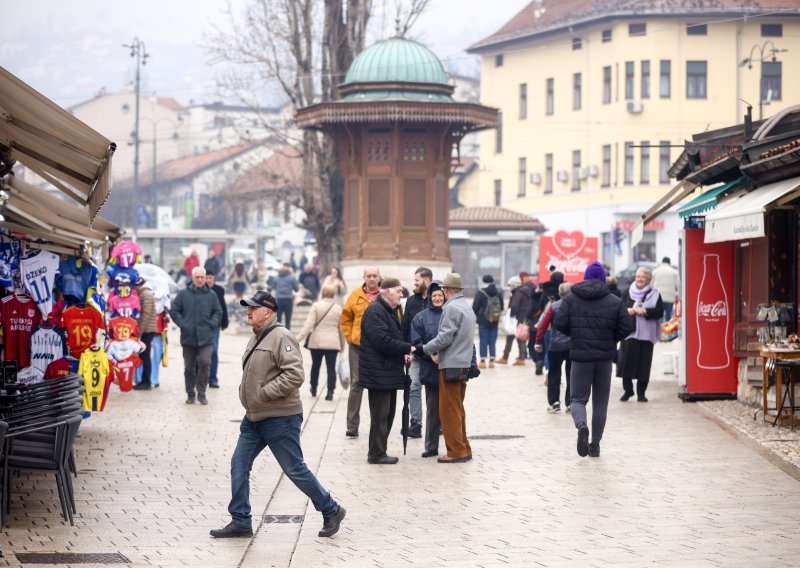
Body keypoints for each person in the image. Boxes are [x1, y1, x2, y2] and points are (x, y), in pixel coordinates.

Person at [210, 290, 345, 539]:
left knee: (294, 468)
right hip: (254, 417)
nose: (248, 311)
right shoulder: (256, 337)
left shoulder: (281, 336)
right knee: (239, 464)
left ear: (268, 312)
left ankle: (331, 509)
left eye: (253, 307)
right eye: (248, 307)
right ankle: (240, 520)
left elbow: (295, 374)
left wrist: (263, 393)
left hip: (280, 417)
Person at [553, 261, 634, 458]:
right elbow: (627, 328)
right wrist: (610, 338)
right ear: (602, 279)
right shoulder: (614, 300)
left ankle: (582, 426)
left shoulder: (572, 298)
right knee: (600, 402)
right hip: (604, 357)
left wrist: (576, 335)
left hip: (580, 357)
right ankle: (595, 444)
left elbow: (559, 322)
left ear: (585, 277)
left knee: (577, 399)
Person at [416, 273, 477, 464]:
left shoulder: (450, 309)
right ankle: (463, 447)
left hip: (450, 364)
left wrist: (424, 349)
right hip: (463, 364)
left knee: (449, 410)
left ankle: (456, 451)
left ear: (446, 290)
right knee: (458, 408)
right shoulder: (466, 307)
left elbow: (444, 338)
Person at [358, 277, 413, 465]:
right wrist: (407, 348)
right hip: (378, 373)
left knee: (388, 414)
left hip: (387, 371)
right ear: (387, 292)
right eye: (398, 291)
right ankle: (376, 454)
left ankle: (380, 451)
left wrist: (403, 353)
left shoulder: (388, 310)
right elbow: (382, 341)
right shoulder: (375, 311)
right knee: (380, 415)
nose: (401, 294)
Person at [170, 267, 222, 405]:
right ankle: (190, 393)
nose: (200, 280)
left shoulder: (211, 295)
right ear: (192, 278)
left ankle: (202, 392)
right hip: (188, 338)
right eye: (197, 277)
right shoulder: (183, 294)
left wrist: (212, 323)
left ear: (205, 278)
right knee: (189, 367)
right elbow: (174, 311)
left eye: (202, 277)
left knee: (205, 362)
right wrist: (183, 324)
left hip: (206, 337)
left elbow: (218, 311)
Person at [340, 266, 381, 438]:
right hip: (357, 346)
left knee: (376, 385)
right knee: (356, 384)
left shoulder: (384, 296)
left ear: (379, 277)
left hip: (378, 348)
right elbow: (346, 318)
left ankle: (377, 423)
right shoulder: (355, 295)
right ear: (364, 277)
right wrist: (350, 337)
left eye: (374, 276)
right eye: (368, 276)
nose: (371, 278)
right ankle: (352, 425)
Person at [617, 267, 664, 402]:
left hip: (646, 334)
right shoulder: (627, 292)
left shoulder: (655, 294)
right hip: (629, 333)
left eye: (642, 277)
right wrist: (629, 310)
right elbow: (619, 310)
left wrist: (646, 311)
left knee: (644, 365)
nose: (639, 279)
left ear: (649, 279)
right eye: (637, 276)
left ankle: (641, 393)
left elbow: (659, 312)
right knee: (626, 363)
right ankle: (628, 390)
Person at [410, 282, 445, 458]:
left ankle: (456, 444)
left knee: (452, 408)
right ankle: (431, 446)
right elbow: (416, 343)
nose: (438, 298)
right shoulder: (420, 318)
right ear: (430, 298)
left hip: (450, 367)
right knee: (432, 408)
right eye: (434, 296)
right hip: (430, 368)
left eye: (440, 295)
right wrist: (430, 353)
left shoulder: (451, 314)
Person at [296, 285, 345, 400]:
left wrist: (298, 338)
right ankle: (330, 392)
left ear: (322, 293)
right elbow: (341, 329)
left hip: (316, 342)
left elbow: (309, 325)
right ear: (333, 294)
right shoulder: (338, 308)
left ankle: (313, 388)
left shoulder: (316, 306)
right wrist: (342, 345)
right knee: (331, 368)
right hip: (333, 343)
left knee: (315, 366)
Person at [401, 267, 432, 439]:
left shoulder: (436, 299)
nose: (414, 284)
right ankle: (416, 423)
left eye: (417, 280)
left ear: (427, 280)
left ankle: (437, 423)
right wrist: (406, 349)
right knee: (414, 387)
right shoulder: (411, 301)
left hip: (433, 353)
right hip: (414, 351)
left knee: (434, 389)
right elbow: (405, 327)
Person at [534, 282, 572, 413]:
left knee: (554, 374)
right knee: (571, 375)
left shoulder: (553, 306)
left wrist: (538, 342)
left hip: (555, 345)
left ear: (560, 294)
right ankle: (571, 403)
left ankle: (554, 402)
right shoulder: (577, 306)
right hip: (572, 346)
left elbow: (543, 325)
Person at [472, 274, 503, 368]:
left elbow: (475, 307)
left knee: (483, 339)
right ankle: (492, 361)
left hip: (483, 320)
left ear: (483, 281)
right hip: (495, 319)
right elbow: (502, 307)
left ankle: (482, 361)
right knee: (492, 339)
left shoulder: (480, 292)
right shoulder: (498, 292)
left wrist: (477, 315)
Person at [133, 278, 158, 391]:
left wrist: (139, 331)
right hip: (146, 329)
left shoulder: (146, 294)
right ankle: (144, 381)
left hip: (147, 330)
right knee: (144, 355)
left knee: (145, 355)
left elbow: (146, 315)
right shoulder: (143, 293)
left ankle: (146, 382)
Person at [206, 271, 229, 389]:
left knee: (214, 351)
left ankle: (213, 379)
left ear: (213, 278)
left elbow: (223, 306)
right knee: (201, 352)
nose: (208, 280)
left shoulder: (219, 290)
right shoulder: (200, 289)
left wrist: (225, 321)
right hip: (202, 325)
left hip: (215, 325)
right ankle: (200, 377)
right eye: (207, 278)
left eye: (210, 277)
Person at [498, 276, 527, 365]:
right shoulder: (525, 291)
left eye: (510, 286)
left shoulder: (518, 293)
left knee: (511, 337)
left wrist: (511, 315)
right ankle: (521, 357)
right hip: (522, 318)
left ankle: (506, 357)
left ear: (514, 285)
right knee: (521, 338)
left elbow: (514, 306)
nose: (510, 288)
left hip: (516, 319)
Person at [651, 256, 679, 321]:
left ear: (662, 262)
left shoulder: (655, 271)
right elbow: (678, 285)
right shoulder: (674, 272)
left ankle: (659, 329)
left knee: (659, 315)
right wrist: (677, 294)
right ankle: (667, 329)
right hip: (670, 297)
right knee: (668, 315)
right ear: (669, 262)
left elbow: (651, 285)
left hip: (657, 298)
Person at [273, 263, 299, 331]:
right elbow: (296, 289)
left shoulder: (276, 278)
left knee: (278, 320)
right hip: (288, 300)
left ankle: (277, 334)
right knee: (288, 320)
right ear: (288, 271)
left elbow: (274, 287)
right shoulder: (291, 278)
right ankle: (287, 335)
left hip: (279, 300)